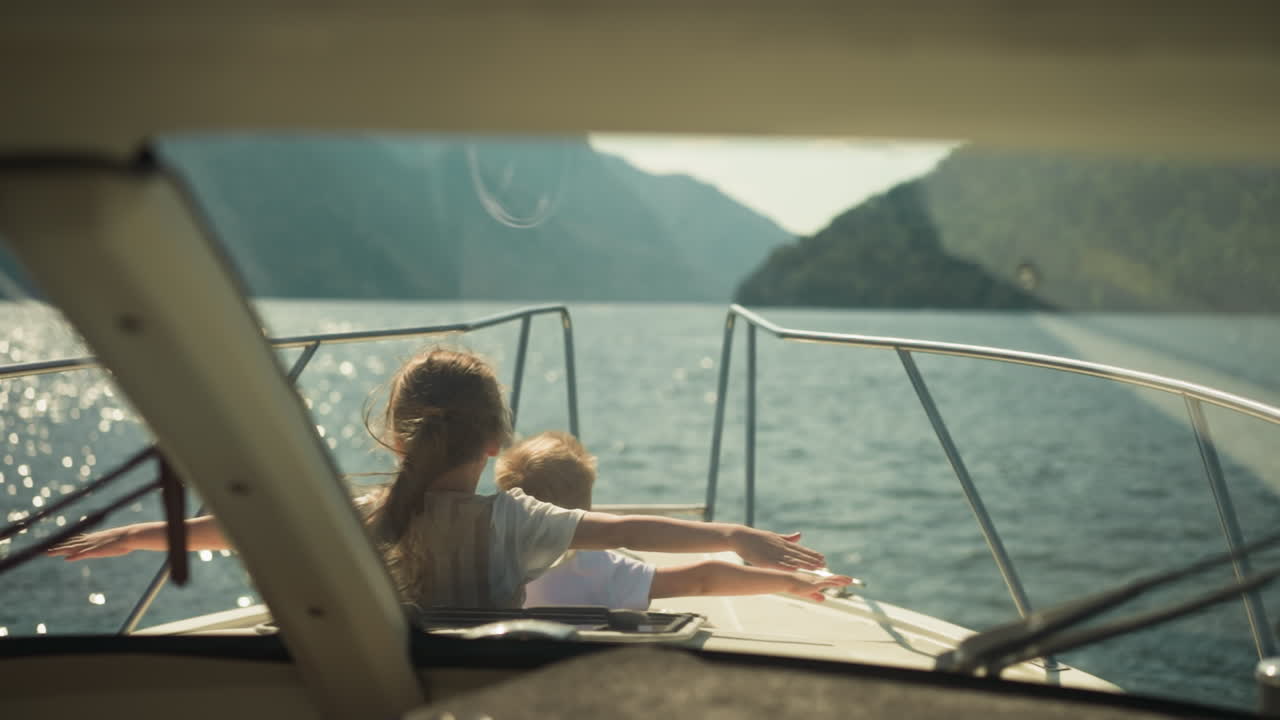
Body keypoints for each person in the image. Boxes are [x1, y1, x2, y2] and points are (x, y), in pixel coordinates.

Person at [47, 348, 828, 609]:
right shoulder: (517, 522)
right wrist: (734, 537)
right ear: (495, 443)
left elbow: (251, 528)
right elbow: (628, 534)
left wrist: (145, 534)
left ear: (395, 435)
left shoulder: (359, 514)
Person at [495, 431, 853, 609]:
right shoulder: (598, 569)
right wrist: (791, 582)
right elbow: (703, 580)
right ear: (586, 509)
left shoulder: (484, 550)